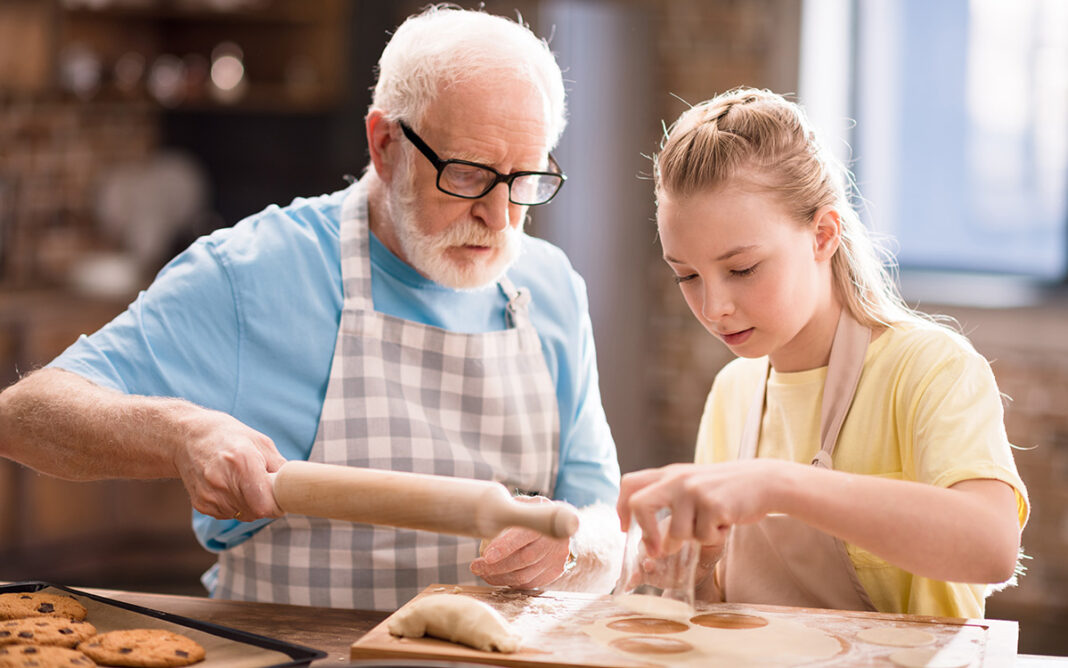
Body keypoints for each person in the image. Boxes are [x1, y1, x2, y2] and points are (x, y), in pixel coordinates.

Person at [0, 7, 622, 610]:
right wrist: (180, 433)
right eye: (467, 176)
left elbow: (606, 520)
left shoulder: (551, 289)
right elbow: (23, 416)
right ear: (385, 145)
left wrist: (572, 550)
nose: (499, 216)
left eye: (526, 180)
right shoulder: (255, 273)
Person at [617, 88, 1028, 619]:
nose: (714, 307)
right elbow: (733, 615)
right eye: (687, 276)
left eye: (741, 269)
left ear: (823, 235)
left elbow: (992, 546)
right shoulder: (734, 392)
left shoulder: (930, 368)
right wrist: (691, 573)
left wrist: (777, 483)